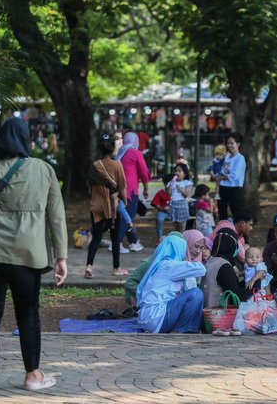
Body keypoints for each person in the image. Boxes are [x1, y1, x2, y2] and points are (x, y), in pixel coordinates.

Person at [0, 117, 68, 402]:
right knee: (28, 314)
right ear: (26, 139)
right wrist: (61, 256)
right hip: (28, 256)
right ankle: (33, 376)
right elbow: (56, 217)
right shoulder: (45, 170)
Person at [136, 236, 206, 333]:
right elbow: (201, 269)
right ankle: (184, 331)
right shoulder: (169, 265)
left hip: (149, 319)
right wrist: (190, 259)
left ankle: (180, 329)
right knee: (196, 294)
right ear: (179, 249)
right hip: (157, 318)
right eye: (184, 249)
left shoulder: (161, 264)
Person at [85, 134, 129, 279]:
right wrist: (124, 202)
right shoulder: (117, 165)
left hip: (96, 206)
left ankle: (89, 267)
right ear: (112, 148)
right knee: (115, 237)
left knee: (96, 237)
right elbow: (122, 187)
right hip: (112, 207)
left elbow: (89, 186)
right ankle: (116, 268)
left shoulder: (94, 165)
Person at [200, 228, 255, 307]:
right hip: (217, 314)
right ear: (231, 245)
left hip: (207, 310)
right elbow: (236, 298)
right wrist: (254, 282)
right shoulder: (223, 265)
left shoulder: (210, 261)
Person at [118, 131, 150, 252]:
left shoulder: (120, 153)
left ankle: (133, 241)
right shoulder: (136, 153)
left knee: (124, 215)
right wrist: (146, 188)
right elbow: (143, 172)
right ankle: (118, 242)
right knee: (128, 217)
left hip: (119, 189)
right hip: (130, 190)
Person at [214, 132, 246, 220]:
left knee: (236, 212)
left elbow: (234, 176)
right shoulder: (227, 156)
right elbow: (222, 169)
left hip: (234, 189)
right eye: (228, 143)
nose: (229, 145)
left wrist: (222, 177)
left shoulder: (240, 158)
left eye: (232, 143)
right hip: (223, 187)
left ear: (238, 144)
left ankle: (239, 233)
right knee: (222, 213)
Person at [166, 163, 193, 233]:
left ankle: (182, 240)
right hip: (173, 205)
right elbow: (168, 194)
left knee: (182, 227)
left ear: (184, 174)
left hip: (182, 205)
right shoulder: (171, 183)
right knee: (175, 226)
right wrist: (171, 184)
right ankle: (177, 239)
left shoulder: (187, 183)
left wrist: (181, 189)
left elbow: (186, 195)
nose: (177, 173)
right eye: (176, 171)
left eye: (179, 171)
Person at [150, 174, 172, 242]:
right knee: (159, 218)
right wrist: (163, 209)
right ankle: (159, 238)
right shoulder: (160, 193)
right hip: (163, 211)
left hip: (175, 211)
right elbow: (156, 205)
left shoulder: (177, 193)